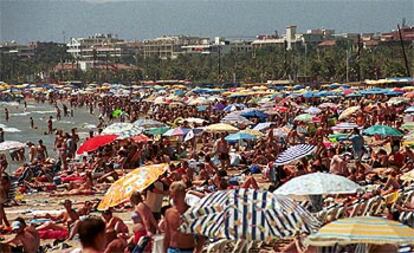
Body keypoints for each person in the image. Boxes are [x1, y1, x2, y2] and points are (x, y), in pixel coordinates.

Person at [164, 181, 200, 253]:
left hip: (187, 250)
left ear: (184, 195)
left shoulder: (192, 213)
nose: (174, 199)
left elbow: (200, 236)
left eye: (177, 196)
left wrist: (197, 250)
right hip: (172, 249)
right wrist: (164, 250)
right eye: (172, 195)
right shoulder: (168, 212)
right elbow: (167, 235)